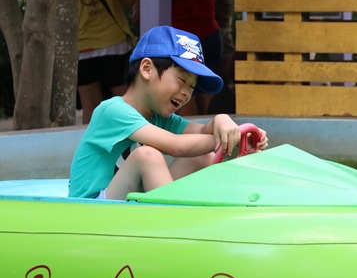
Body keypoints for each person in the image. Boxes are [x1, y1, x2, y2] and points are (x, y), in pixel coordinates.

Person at [68, 25, 268, 201]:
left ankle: (205, 215)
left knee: (202, 157)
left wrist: (223, 122)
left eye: (192, 87)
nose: (187, 93)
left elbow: (203, 133)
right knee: (146, 156)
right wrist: (229, 140)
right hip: (93, 208)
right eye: (182, 80)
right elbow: (176, 146)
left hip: (129, 204)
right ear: (147, 69)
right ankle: (172, 225)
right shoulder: (112, 111)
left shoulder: (160, 117)